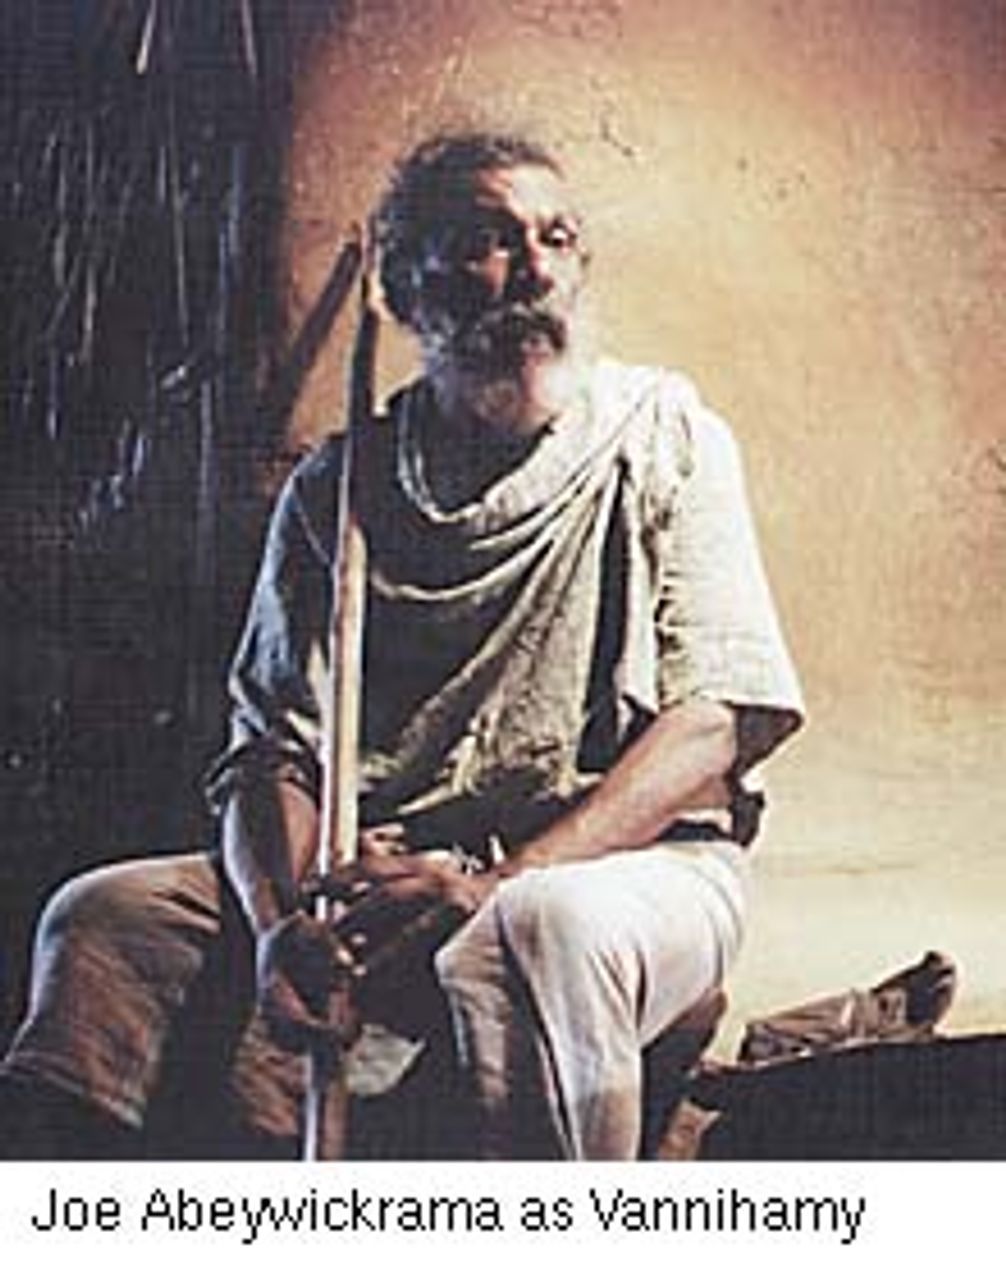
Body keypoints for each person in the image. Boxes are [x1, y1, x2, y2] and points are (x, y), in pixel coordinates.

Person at [0, 131, 803, 1160]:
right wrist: (282, 922)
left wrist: (494, 882)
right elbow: (272, 752)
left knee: (534, 932)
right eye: (487, 240)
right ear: (409, 284)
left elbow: (714, 721)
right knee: (105, 920)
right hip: (385, 878)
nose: (534, 269)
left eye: (556, 238)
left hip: (623, 870)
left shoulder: (665, 439)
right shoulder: (340, 491)